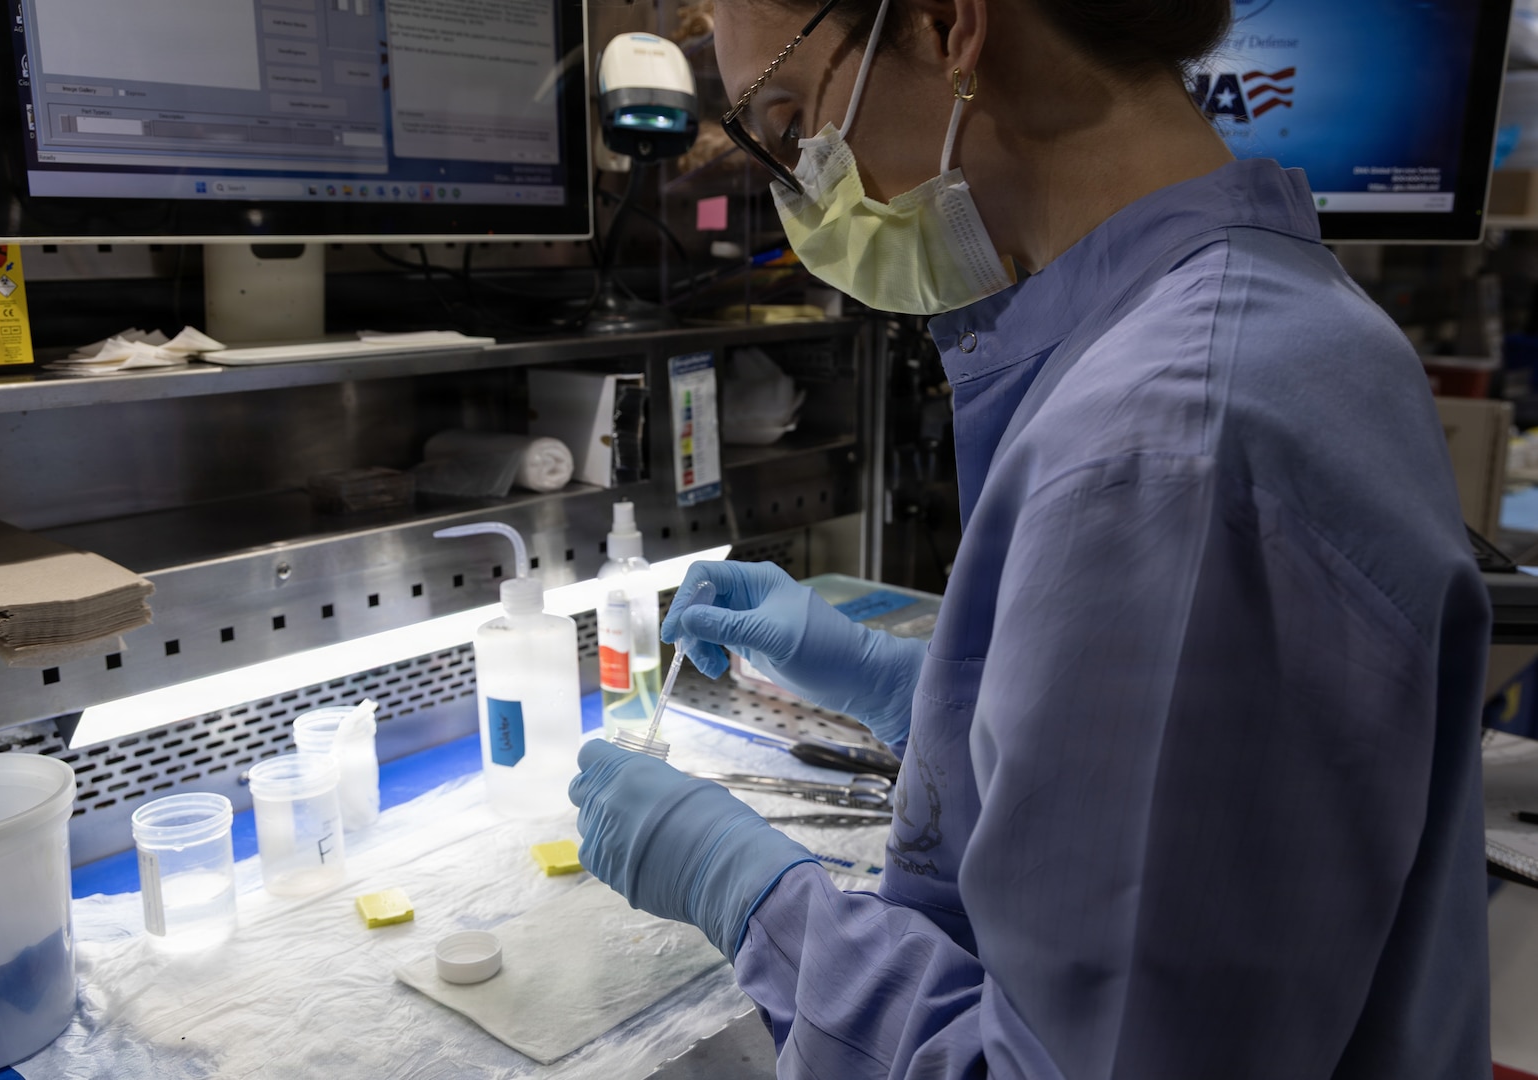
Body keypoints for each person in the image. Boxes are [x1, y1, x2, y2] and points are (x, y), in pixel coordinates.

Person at [570, 0, 1494, 1075]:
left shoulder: (1170, 438)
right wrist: (913, 695)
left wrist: (755, 899)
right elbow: (1178, 802)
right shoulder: (1268, 318)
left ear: (949, 26)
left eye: (788, 120)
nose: (806, 190)